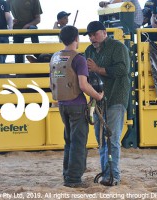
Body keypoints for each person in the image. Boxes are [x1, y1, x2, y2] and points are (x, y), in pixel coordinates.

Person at [50, 25, 103, 188]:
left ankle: (68, 174)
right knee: (79, 142)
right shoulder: (78, 58)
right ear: (76, 39)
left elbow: (51, 82)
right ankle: (73, 178)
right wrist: (98, 96)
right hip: (77, 105)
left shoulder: (55, 57)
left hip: (62, 104)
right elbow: (83, 85)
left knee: (69, 141)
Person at [84, 21, 130, 186]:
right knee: (102, 140)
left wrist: (96, 69)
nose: (92, 38)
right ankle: (107, 174)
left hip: (116, 96)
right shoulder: (89, 50)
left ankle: (113, 175)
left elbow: (122, 70)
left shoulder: (118, 47)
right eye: (90, 35)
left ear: (104, 33)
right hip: (99, 99)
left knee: (111, 138)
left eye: (94, 34)